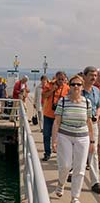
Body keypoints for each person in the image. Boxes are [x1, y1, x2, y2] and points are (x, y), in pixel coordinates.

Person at [52, 74, 94, 203]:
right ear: (69, 86)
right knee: (65, 165)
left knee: (80, 168)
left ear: (82, 87)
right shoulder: (63, 101)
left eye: (78, 84)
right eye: (73, 84)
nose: (76, 86)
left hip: (82, 137)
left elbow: (89, 122)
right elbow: (57, 122)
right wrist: (54, 140)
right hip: (65, 135)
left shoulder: (87, 102)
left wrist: (92, 141)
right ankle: (61, 183)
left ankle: (75, 197)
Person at [42, 71, 69, 161]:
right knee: (46, 135)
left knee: (60, 136)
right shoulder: (49, 85)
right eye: (59, 79)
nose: (61, 81)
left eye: (62, 79)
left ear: (65, 79)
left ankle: (59, 153)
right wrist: (52, 90)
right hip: (48, 114)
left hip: (60, 116)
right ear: (56, 78)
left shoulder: (67, 88)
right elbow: (44, 95)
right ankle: (47, 152)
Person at [82, 66, 100, 194]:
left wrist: (97, 115)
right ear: (84, 76)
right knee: (78, 152)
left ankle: (95, 182)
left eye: (95, 75)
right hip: (80, 125)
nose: (94, 78)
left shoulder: (96, 91)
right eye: (91, 75)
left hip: (93, 125)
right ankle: (72, 172)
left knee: (93, 153)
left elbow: (98, 106)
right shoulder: (78, 90)